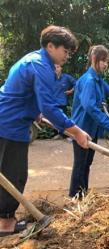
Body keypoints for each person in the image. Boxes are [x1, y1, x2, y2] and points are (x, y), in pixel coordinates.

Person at [0, 25, 90, 236]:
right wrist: (76, 131)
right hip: (10, 125)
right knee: (14, 174)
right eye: (65, 51)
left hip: (8, 119)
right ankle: (5, 224)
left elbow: (26, 95)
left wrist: (35, 112)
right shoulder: (41, 65)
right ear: (51, 46)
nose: (67, 56)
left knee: (8, 172)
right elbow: (49, 106)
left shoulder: (33, 59)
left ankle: (5, 218)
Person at [69, 45, 109, 198]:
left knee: (87, 164)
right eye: (103, 61)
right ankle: (74, 197)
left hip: (92, 129)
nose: (106, 64)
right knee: (80, 165)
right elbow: (89, 107)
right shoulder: (89, 80)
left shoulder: (98, 79)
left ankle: (83, 195)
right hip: (81, 129)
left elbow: (108, 92)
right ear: (94, 59)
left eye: (107, 62)